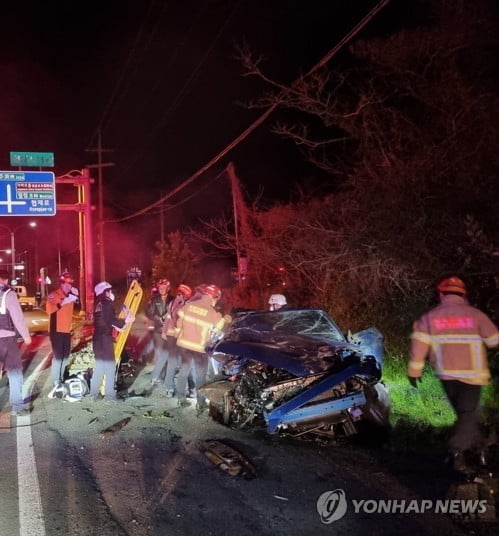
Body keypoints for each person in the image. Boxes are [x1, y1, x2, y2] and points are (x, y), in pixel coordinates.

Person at [408, 276, 499, 472]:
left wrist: (414, 372)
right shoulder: (475, 315)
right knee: (467, 415)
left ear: (441, 294)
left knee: (465, 415)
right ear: (463, 294)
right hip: (473, 376)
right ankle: (457, 451)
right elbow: (494, 340)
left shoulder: (430, 318)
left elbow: (418, 348)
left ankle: (478, 449)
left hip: (447, 375)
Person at [175, 284, 231, 409]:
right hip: (200, 348)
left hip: (183, 345)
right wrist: (226, 319)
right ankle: (200, 403)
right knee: (201, 376)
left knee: (183, 372)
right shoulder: (212, 313)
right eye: (216, 299)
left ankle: (181, 399)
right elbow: (218, 329)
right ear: (213, 297)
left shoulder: (189, 305)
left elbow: (179, 322)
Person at [90, 281, 135, 401]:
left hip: (97, 339)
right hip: (105, 339)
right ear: (106, 292)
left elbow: (104, 320)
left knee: (99, 366)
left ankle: (94, 395)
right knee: (110, 367)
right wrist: (126, 320)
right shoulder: (107, 303)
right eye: (110, 290)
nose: (111, 292)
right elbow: (111, 321)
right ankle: (110, 396)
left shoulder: (98, 304)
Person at [0, 271, 32, 416]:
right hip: (6, 339)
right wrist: (26, 336)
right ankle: (17, 408)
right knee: (14, 372)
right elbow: (17, 318)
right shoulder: (8, 294)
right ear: (6, 279)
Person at [46, 272, 79, 397]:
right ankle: (56, 381)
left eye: (70, 285)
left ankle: (61, 378)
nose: (68, 287)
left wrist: (76, 296)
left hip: (66, 331)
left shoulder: (70, 296)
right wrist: (63, 301)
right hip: (56, 331)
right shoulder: (54, 295)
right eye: (66, 284)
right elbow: (49, 310)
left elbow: (78, 308)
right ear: (61, 284)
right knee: (58, 357)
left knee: (65, 356)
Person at [161, 284, 194, 398]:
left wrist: (164, 332)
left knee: (172, 363)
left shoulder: (172, 303)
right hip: (180, 337)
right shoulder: (183, 305)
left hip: (171, 336)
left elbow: (167, 319)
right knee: (187, 363)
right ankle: (192, 389)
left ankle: (170, 389)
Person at [145, 278, 172, 386]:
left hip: (170, 331)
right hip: (158, 331)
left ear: (168, 288)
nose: (161, 289)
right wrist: (155, 317)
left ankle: (167, 375)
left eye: (164, 287)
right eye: (160, 287)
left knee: (169, 355)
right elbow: (148, 312)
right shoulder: (154, 300)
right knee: (160, 354)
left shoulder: (173, 299)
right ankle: (160, 376)